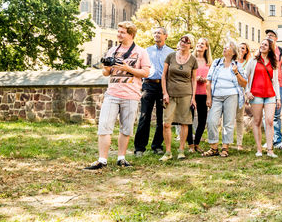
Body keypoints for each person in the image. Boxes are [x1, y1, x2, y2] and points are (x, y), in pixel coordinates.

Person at [84, 21, 150, 170]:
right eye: (118, 31)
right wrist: (107, 67)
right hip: (112, 93)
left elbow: (146, 72)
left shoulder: (141, 52)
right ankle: (102, 160)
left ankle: (121, 158)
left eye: (122, 32)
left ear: (131, 34)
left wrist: (128, 68)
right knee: (104, 126)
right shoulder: (112, 50)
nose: (118, 34)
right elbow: (106, 72)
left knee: (126, 129)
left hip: (131, 95)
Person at [202, 41, 247, 157]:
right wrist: (209, 97)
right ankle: (213, 147)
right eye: (224, 47)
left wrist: (236, 72)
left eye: (227, 47)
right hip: (216, 96)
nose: (224, 48)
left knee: (228, 122)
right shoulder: (216, 63)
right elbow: (209, 81)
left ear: (233, 52)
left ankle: (225, 148)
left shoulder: (237, 65)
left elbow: (244, 83)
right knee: (211, 121)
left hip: (231, 95)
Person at [134, 27, 174, 156]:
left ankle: (157, 145)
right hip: (148, 85)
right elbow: (139, 68)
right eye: (155, 33)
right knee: (144, 116)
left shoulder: (171, 53)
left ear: (165, 36)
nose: (156, 35)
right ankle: (139, 148)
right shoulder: (146, 51)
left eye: (159, 33)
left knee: (161, 118)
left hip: (163, 87)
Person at [160, 34, 198, 161]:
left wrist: (193, 98)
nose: (184, 43)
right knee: (166, 123)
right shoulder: (170, 56)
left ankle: (181, 150)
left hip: (186, 94)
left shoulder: (193, 60)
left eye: (187, 42)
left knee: (184, 122)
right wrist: (165, 93)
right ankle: (168, 152)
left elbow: (194, 80)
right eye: (182, 40)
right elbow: (163, 76)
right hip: (170, 95)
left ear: (191, 45)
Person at [245, 38, 281, 158]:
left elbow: (275, 82)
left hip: (270, 95)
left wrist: (278, 98)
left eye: (265, 45)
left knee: (270, 121)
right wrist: (247, 92)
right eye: (262, 44)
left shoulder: (273, 62)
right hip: (256, 95)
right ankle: (259, 149)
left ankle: (270, 150)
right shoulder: (253, 60)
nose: (263, 46)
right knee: (257, 121)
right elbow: (245, 77)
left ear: (270, 48)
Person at [264, 29, 282, 150]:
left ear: (276, 38)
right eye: (267, 35)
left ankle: (277, 141)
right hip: (264, 85)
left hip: (277, 85)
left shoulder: (281, 51)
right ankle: (268, 140)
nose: (269, 37)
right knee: (266, 115)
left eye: (272, 35)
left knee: (276, 114)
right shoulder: (263, 49)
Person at [187, 38, 212, 153]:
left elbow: (211, 79)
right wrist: (195, 78)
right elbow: (186, 75)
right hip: (191, 92)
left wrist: (204, 80)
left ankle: (197, 143)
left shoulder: (209, 62)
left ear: (206, 47)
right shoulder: (190, 59)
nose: (200, 45)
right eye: (198, 43)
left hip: (203, 93)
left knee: (202, 120)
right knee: (189, 119)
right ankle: (190, 144)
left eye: (202, 44)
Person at [235, 42, 251, 150]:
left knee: (240, 118)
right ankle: (226, 141)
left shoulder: (248, 63)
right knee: (227, 118)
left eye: (243, 48)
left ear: (246, 51)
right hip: (230, 92)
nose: (241, 50)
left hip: (242, 93)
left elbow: (249, 80)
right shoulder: (232, 62)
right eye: (239, 48)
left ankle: (239, 143)